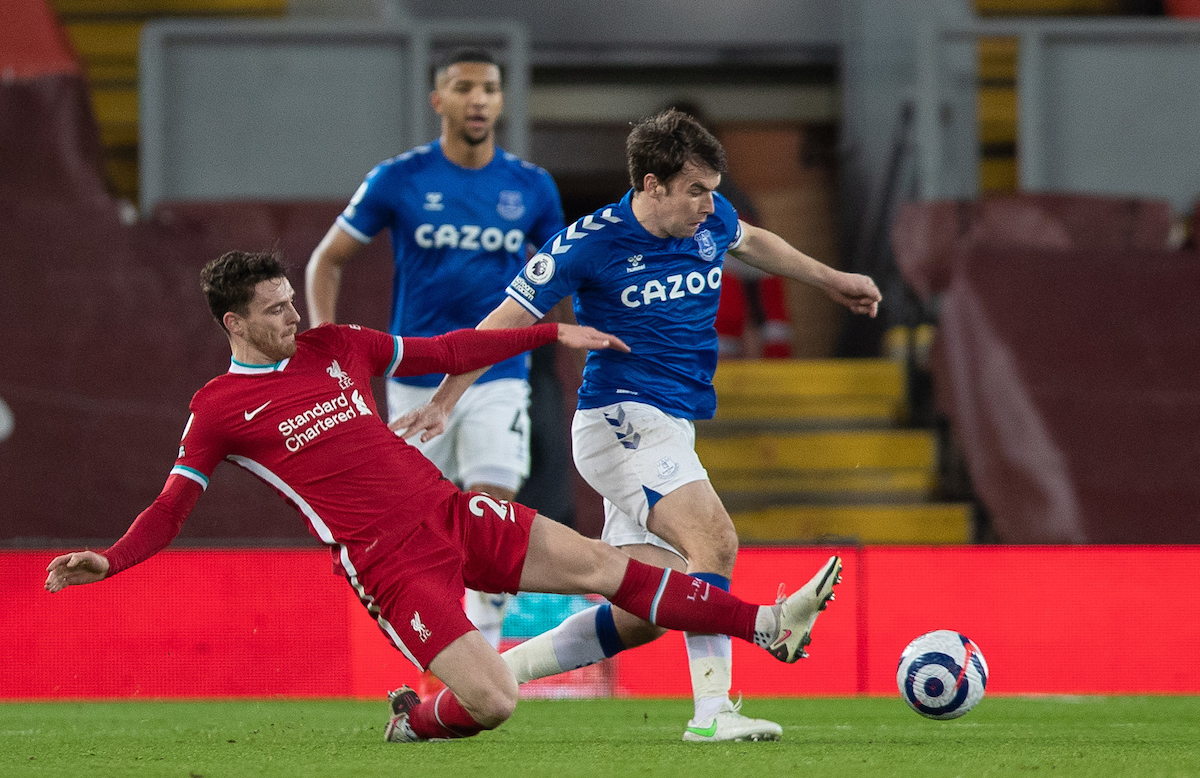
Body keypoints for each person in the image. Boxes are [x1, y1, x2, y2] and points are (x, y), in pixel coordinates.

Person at [45, 250, 844, 744]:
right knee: (493, 703)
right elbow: (171, 508)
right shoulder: (218, 409)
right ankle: (414, 719)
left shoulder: (336, 345)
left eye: (292, 298)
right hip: (390, 565)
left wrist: (547, 334)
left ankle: (768, 626)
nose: (295, 314)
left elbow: (447, 348)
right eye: (276, 309)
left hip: (453, 510)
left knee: (607, 565)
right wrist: (110, 560)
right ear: (234, 322)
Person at [394, 109, 881, 742]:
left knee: (644, 612)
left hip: (673, 423)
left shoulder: (708, 221)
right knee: (716, 540)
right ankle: (715, 712)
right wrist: (445, 398)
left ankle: (470, 686)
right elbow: (504, 320)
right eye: (695, 190)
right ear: (651, 185)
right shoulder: (588, 243)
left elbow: (755, 240)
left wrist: (832, 278)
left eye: (713, 188)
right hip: (621, 417)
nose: (710, 205)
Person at [305, 47, 566, 647]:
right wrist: (328, 348)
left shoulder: (531, 186)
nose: (478, 99)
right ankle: (438, 641)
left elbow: (565, 271)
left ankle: (486, 649)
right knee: (419, 526)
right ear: (438, 100)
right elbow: (327, 260)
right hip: (414, 379)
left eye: (490, 89)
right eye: (464, 87)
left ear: (502, 101)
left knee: (493, 498)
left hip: (497, 373)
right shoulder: (399, 178)